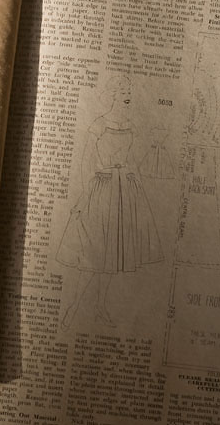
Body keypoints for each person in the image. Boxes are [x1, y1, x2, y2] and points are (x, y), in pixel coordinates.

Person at [57, 75, 162, 329]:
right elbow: (86, 164)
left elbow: (132, 159)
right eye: (123, 91)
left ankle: (100, 306)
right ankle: (74, 307)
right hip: (102, 191)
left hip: (126, 192)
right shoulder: (99, 124)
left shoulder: (131, 125)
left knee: (113, 255)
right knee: (94, 256)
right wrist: (83, 197)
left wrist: (138, 182)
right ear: (113, 94)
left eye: (129, 91)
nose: (128, 95)